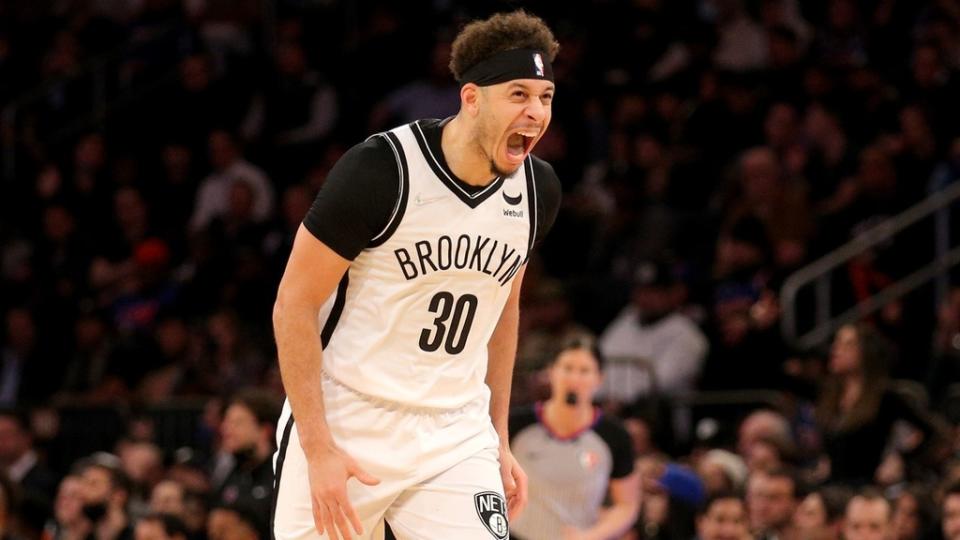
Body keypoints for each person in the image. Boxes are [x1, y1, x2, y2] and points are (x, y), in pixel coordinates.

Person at [271, 10, 562, 540]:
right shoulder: (380, 170)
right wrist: (317, 448)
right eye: (518, 94)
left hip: (454, 432)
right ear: (471, 99)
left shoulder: (539, 189)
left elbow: (502, 309)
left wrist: (497, 436)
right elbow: (294, 302)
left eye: (545, 97)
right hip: (349, 419)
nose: (535, 112)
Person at [508, 338, 639, 540]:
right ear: (551, 371)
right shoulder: (515, 425)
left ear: (599, 378)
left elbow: (627, 505)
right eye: (567, 368)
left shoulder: (614, 436)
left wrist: (592, 536)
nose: (574, 378)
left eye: (584, 370)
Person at [816, 323, 944, 484]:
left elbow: (933, 432)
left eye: (847, 344)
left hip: (867, 486)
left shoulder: (885, 397)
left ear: (865, 352)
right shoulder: (830, 395)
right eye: (836, 343)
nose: (836, 349)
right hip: (832, 486)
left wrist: (902, 459)